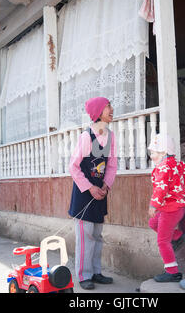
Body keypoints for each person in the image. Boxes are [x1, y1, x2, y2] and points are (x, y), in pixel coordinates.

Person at [68, 97, 117, 290]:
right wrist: (90, 187)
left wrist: (106, 185)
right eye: (107, 107)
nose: (112, 109)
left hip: (100, 192)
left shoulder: (110, 136)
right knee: (85, 235)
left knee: (97, 235)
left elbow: (112, 165)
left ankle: (96, 272)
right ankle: (84, 275)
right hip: (85, 194)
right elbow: (73, 167)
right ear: (97, 113)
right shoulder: (86, 137)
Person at [147, 134, 185, 282]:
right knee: (153, 223)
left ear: (163, 152)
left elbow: (160, 189)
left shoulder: (163, 168)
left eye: (153, 153)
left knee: (163, 241)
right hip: (176, 209)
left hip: (169, 210)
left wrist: (153, 205)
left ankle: (172, 271)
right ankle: (177, 236)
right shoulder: (178, 164)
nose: (151, 156)